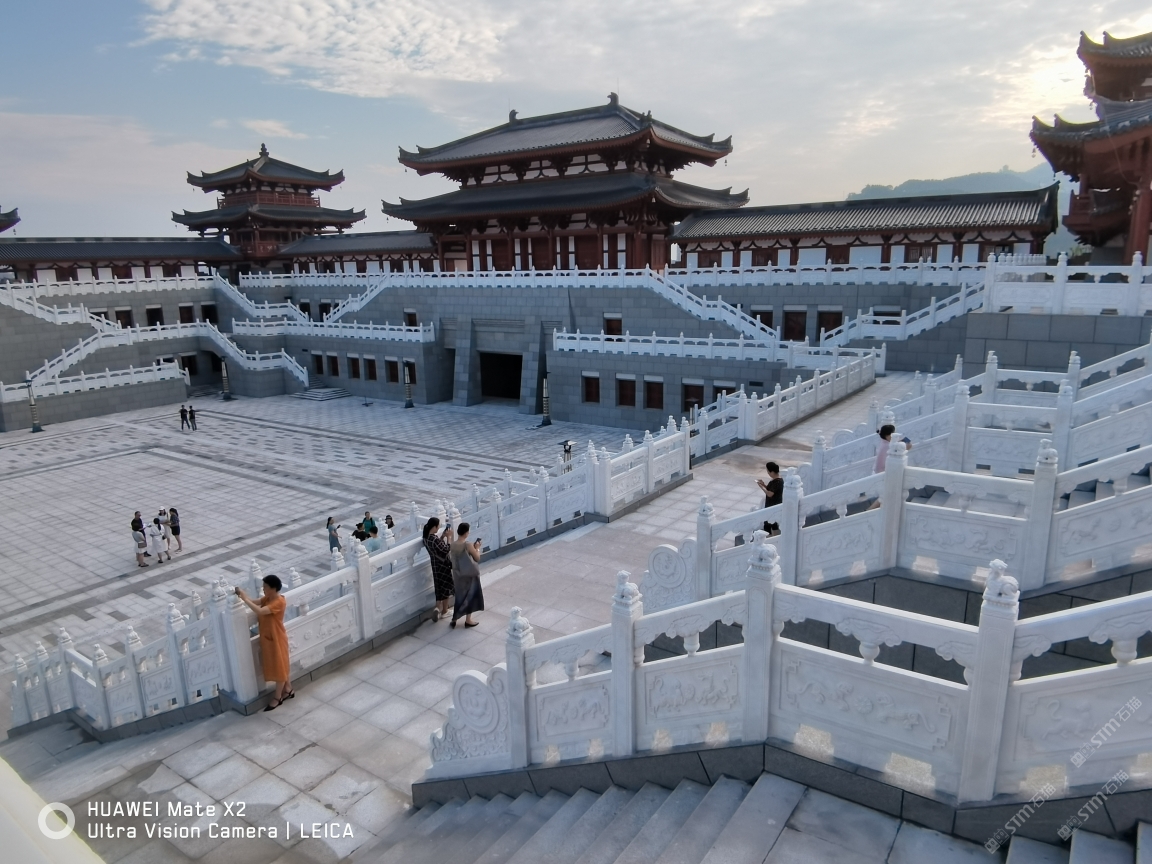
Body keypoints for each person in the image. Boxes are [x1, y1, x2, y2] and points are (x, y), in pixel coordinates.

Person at [235, 575, 294, 710]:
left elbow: (260, 611)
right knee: (280, 664)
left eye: (265, 587)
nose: (263, 589)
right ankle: (288, 689)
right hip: (269, 638)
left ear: (273, 588)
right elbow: (253, 602)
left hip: (277, 638)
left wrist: (244, 599)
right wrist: (242, 595)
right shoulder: (267, 598)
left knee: (280, 667)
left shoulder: (279, 602)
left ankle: (278, 697)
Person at [448, 521, 484, 628]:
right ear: (466, 533)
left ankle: (454, 618)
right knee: (471, 596)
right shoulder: (468, 545)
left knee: (460, 596)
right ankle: (468, 620)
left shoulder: (453, 544)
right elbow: (477, 558)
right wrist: (477, 548)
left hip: (458, 574)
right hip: (469, 574)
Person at [422, 517, 454, 620]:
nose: (439, 527)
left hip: (435, 565)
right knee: (445, 586)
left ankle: (437, 608)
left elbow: (436, 547)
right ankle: (445, 611)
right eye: (438, 526)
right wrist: (449, 537)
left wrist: (443, 536)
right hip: (443, 565)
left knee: (439, 586)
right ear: (435, 527)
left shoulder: (426, 538)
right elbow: (446, 549)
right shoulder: (435, 539)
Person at [756, 461, 784, 535]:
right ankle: (774, 537)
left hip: (773, 505)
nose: (768, 473)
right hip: (771, 504)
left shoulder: (778, 482)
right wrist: (763, 485)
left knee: (768, 524)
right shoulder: (775, 480)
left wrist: (761, 487)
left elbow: (770, 494)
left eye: (768, 471)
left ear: (772, 472)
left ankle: (768, 538)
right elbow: (770, 489)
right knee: (773, 524)